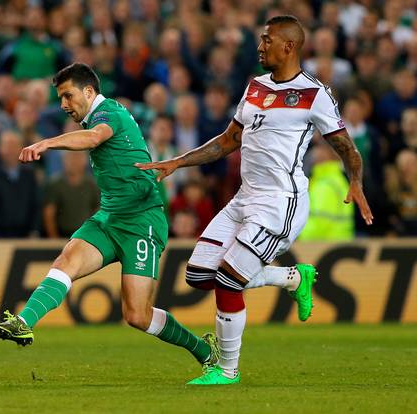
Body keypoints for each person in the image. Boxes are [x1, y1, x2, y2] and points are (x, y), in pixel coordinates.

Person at [137, 15, 373, 385]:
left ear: (289, 47)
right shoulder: (255, 86)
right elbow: (227, 141)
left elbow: (345, 146)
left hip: (281, 202)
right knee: (198, 275)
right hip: (244, 198)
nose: (260, 47)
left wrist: (355, 181)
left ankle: (226, 370)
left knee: (229, 282)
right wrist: (178, 162)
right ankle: (291, 278)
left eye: (267, 40)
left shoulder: (314, 94)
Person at [0, 63, 220, 376]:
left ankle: (203, 349)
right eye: (60, 98)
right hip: (109, 218)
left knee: (137, 315)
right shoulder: (98, 116)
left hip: (142, 220)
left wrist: (47, 142)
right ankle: (23, 322)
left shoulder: (109, 113)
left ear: (89, 91)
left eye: (68, 96)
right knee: (65, 262)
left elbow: (95, 138)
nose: (64, 104)